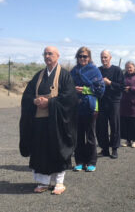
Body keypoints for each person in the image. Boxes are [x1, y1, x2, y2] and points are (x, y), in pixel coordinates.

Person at [19, 46, 77, 195]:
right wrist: (34, 101)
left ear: (58, 56)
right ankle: (44, 181)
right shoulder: (38, 75)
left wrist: (50, 102)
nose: (47, 56)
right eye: (45, 54)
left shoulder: (64, 75)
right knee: (41, 150)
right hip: (39, 121)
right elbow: (27, 95)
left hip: (57, 122)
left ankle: (59, 182)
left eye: (50, 53)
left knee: (57, 150)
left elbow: (70, 98)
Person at [70, 47, 105, 172]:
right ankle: (79, 161)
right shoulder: (74, 71)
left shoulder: (94, 70)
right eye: (80, 56)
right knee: (78, 135)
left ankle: (91, 161)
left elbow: (101, 89)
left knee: (90, 135)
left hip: (91, 106)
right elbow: (68, 87)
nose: (82, 58)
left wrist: (85, 90)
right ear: (77, 57)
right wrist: (73, 91)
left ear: (89, 57)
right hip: (77, 106)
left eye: (85, 56)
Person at [96, 50, 124, 159]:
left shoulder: (117, 70)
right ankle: (104, 149)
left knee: (115, 125)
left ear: (110, 58)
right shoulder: (98, 70)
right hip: (102, 101)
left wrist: (110, 83)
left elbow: (122, 86)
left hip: (114, 101)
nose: (104, 59)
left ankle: (114, 149)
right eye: (102, 57)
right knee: (101, 126)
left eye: (105, 57)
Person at [120, 61, 135, 148]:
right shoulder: (123, 77)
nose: (129, 69)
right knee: (125, 122)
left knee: (134, 123)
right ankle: (127, 140)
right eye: (127, 67)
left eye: (130, 67)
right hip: (124, 103)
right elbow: (120, 86)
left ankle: (134, 140)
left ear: (134, 68)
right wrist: (123, 88)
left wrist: (131, 88)